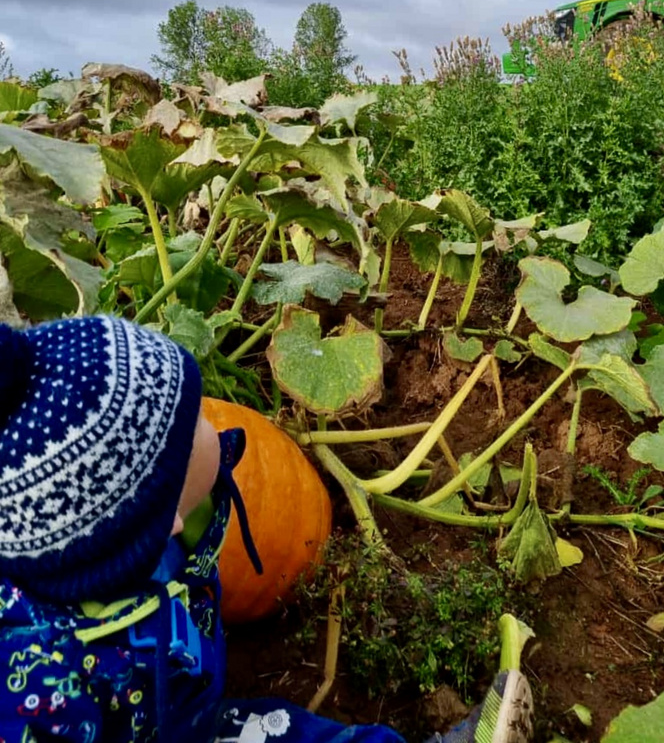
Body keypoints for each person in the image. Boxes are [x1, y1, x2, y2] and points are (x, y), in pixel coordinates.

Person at [0, 316, 534, 743]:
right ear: (163, 519)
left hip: (180, 710)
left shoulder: (112, 539)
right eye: (197, 425)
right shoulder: (45, 693)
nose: (217, 420)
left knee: (286, 729)